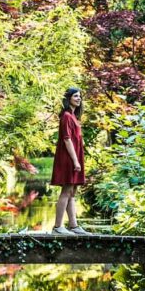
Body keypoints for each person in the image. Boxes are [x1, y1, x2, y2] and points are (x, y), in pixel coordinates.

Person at [50, 87, 91, 235]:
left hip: (74, 157)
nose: (79, 99)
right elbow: (67, 140)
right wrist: (75, 161)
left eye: (80, 96)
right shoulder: (67, 116)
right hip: (68, 158)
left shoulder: (74, 117)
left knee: (72, 192)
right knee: (66, 191)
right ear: (68, 99)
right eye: (75, 96)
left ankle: (73, 225)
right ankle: (57, 226)